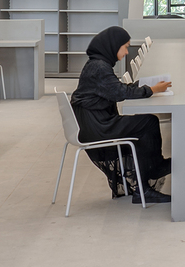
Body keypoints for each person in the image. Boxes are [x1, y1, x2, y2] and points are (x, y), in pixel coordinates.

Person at [68, 26, 173, 203]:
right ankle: (150, 176)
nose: (126, 52)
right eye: (125, 47)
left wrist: (142, 85)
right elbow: (119, 93)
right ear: (113, 45)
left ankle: (149, 175)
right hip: (98, 126)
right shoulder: (99, 68)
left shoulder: (97, 64)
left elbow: (114, 89)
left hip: (96, 122)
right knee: (147, 123)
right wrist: (152, 90)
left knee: (145, 124)